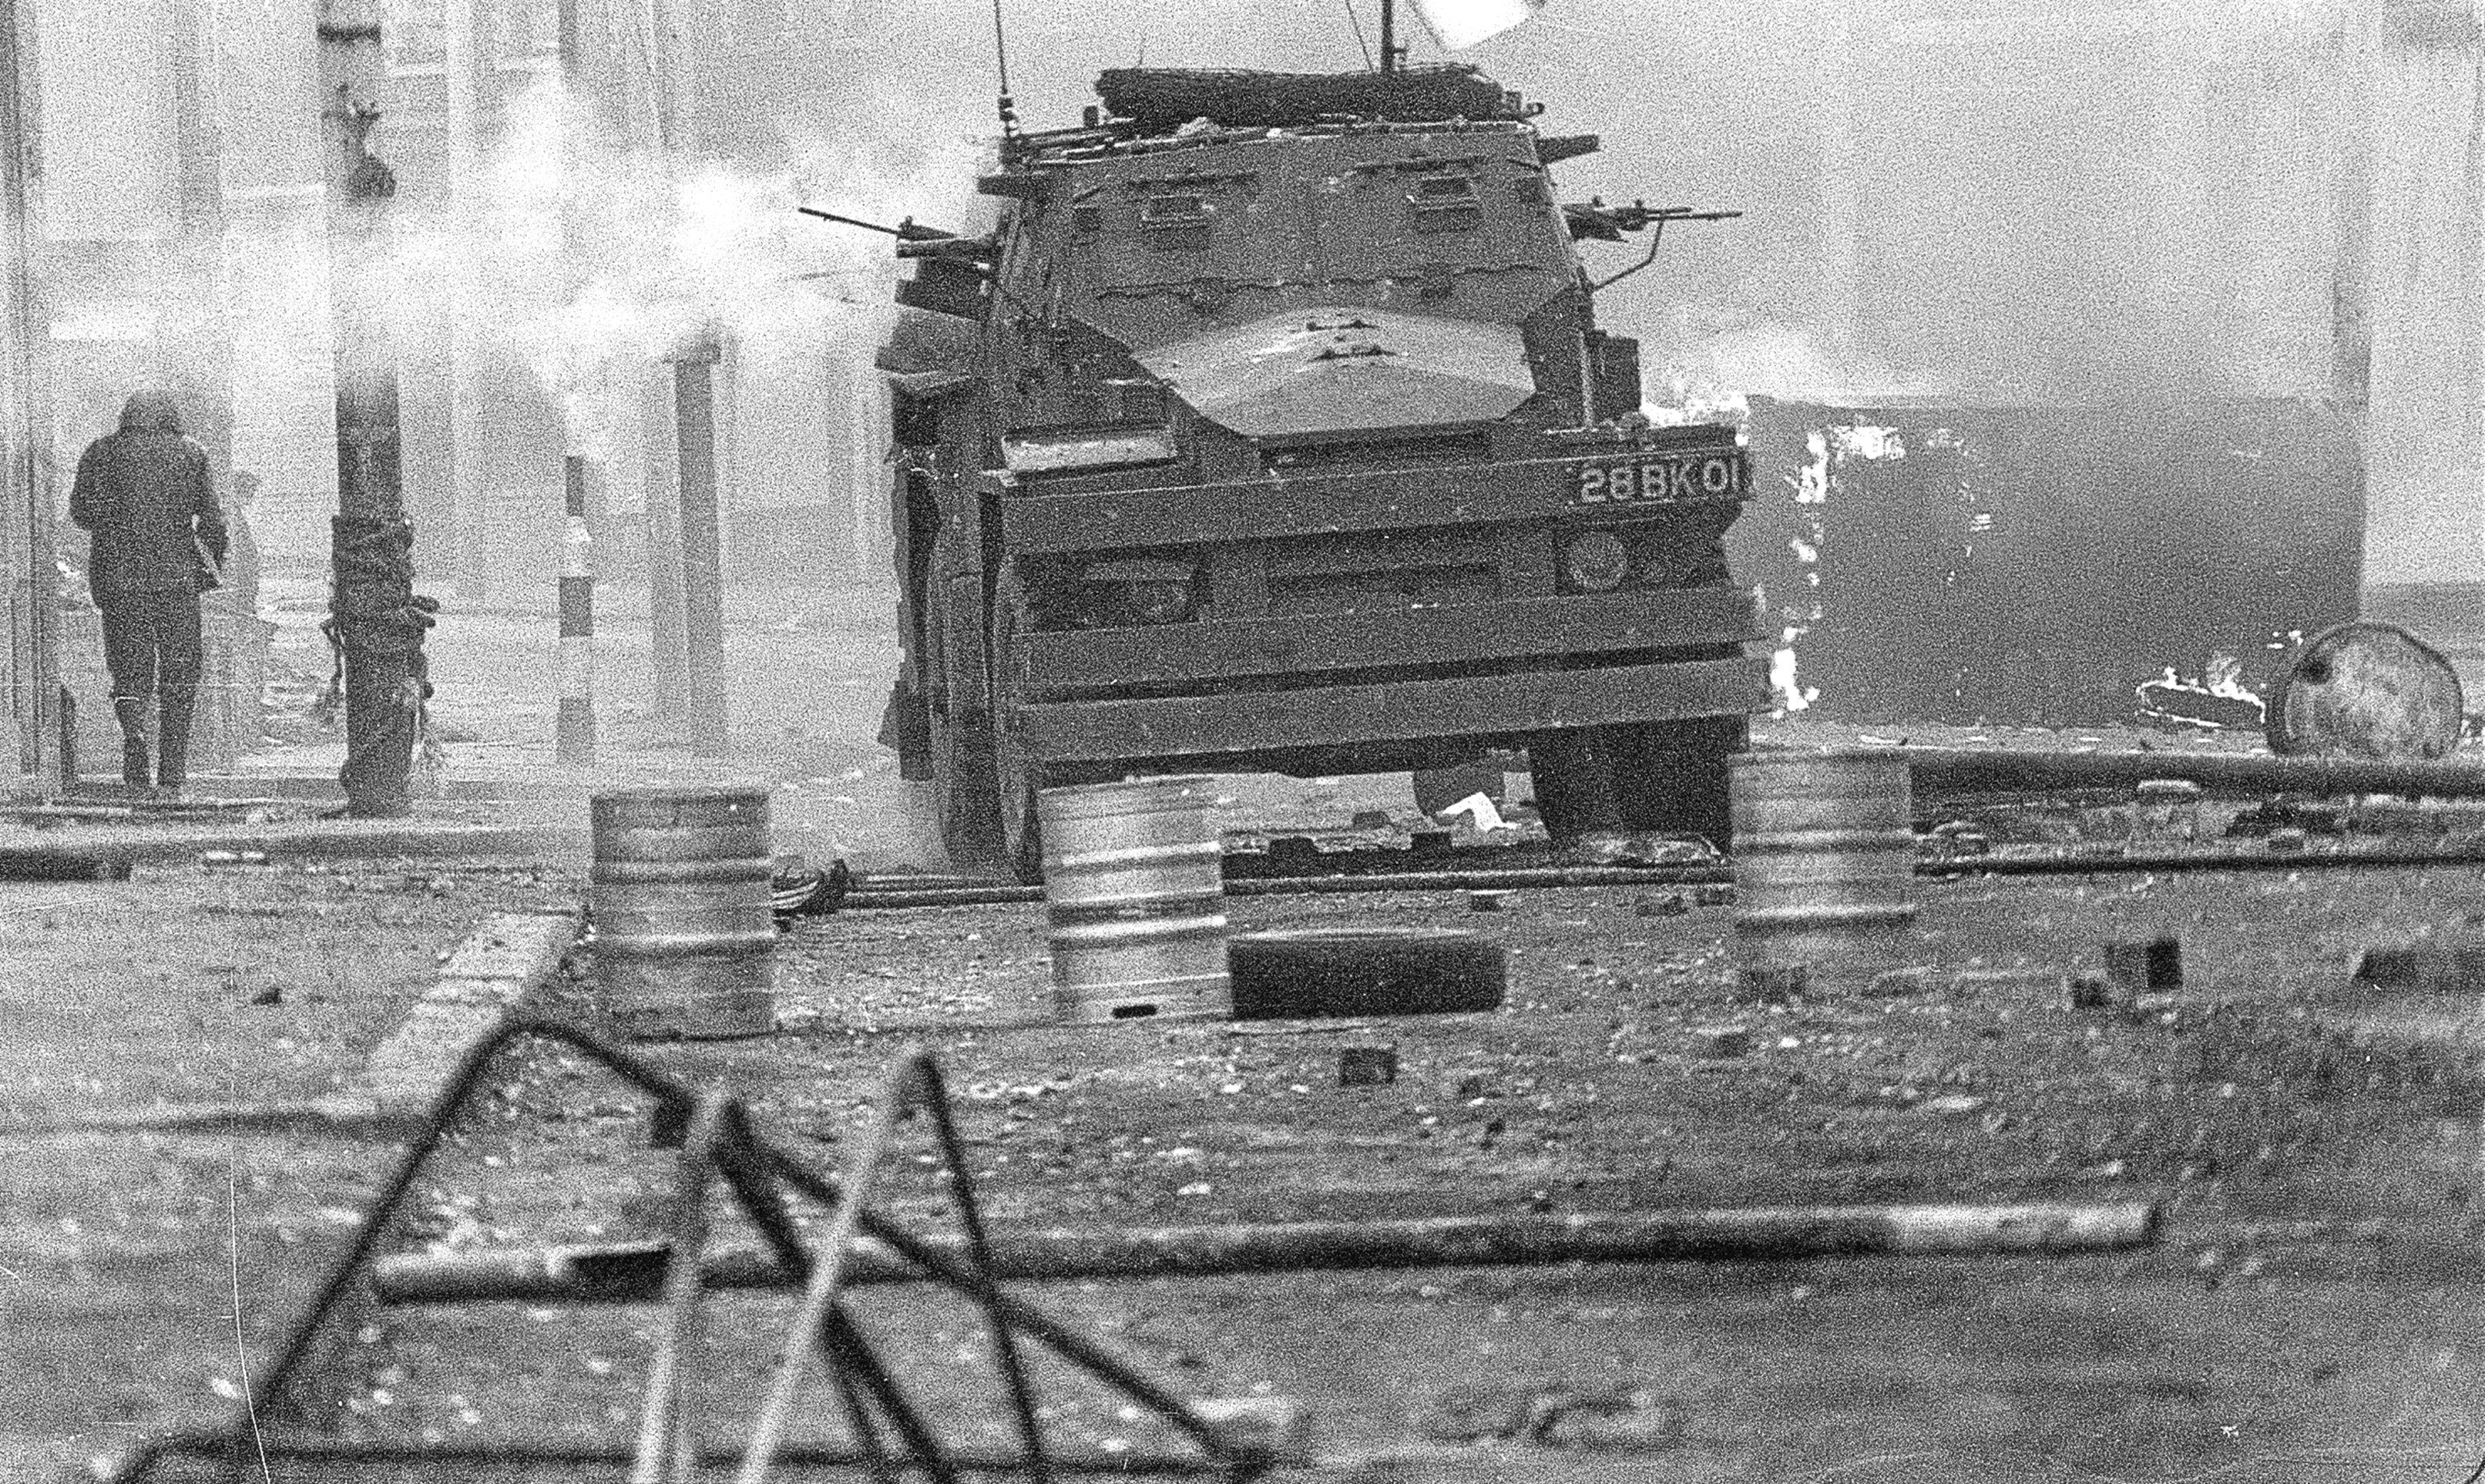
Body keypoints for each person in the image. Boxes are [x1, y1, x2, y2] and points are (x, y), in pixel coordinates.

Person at [69, 388, 226, 799]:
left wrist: (118, 518)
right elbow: (213, 519)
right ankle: (172, 768)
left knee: (128, 667)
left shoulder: (101, 452)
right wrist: (208, 572)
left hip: (119, 583)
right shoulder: (192, 453)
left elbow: (80, 512)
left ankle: (135, 736)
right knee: (180, 673)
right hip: (176, 582)